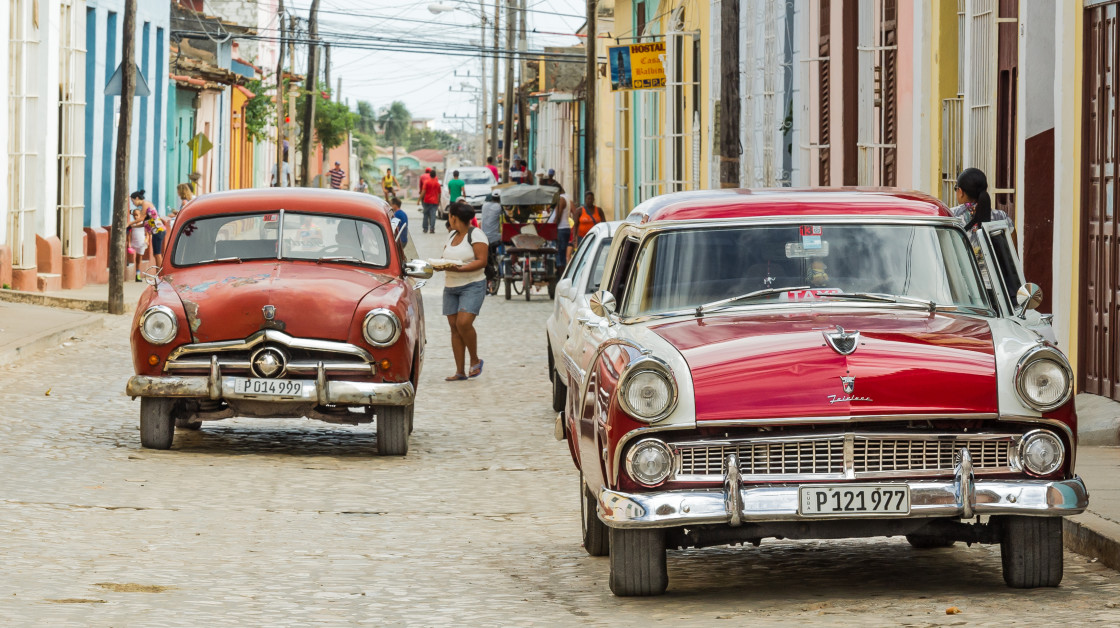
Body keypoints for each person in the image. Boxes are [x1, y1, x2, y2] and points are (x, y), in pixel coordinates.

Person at [440, 202, 489, 381]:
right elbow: (445, 256)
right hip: (451, 286)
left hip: (472, 284)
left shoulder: (476, 235)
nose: (449, 219)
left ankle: (475, 359)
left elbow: (482, 260)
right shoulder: (451, 235)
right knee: (454, 327)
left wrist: (460, 269)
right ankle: (460, 371)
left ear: (454, 217)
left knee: (463, 323)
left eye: (450, 216)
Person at [950, 167, 1009, 232]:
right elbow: (1012, 241)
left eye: (956, 188)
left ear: (961, 192)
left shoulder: (951, 216)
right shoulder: (1002, 217)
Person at [130, 190, 167, 267]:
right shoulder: (145, 205)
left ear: (137, 198)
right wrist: (133, 226)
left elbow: (142, 218)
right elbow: (144, 223)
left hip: (158, 231)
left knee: (157, 254)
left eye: (133, 201)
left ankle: (160, 274)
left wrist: (129, 223)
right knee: (156, 254)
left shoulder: (145, 204)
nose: (133, 203)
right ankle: (159, 274)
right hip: (156, 232)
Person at [570, 191, 606, 255]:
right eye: (588, 199)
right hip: (582, 238)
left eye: (591, 199)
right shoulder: (579, 211)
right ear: (585, 200)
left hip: (596, 237)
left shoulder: (599, 210)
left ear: (594, 199)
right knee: (583, 254)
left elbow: (604, 224)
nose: (590, 200)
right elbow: (575, 225)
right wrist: (574, 238)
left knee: (594, 254)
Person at [480, 190, 504, 287]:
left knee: (488, 257)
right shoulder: (499, 208)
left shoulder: (484, 206)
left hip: (484, 237)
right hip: (495, 238)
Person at [127, 206, 149, 281]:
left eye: (137, 215)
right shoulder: (132, 225)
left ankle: (138, 275)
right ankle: (127, 264)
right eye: (134, 215)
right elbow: (129, 235)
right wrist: (129, 243)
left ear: (140, 215)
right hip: (133, 243)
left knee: (138, 259)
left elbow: (147, 234)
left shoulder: (143, 224)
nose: (135, 217)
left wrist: (147, 240)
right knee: (130, 256)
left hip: (141, 243)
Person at [551, 190, 571, 271]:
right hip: (564, 228)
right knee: (561, 254)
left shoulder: (561, 199)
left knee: (559, 254)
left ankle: (560, 275)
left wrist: (553, 229)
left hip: (561, 229)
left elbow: (558, 217)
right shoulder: (566, 198)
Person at [421, 169, 442, 234]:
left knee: (425, 215)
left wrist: (419, 199)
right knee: (433, 215)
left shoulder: (426, 182)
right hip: (434, 201)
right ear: (435, 175)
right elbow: (439, 194)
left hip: (426, 201)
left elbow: (423, 192)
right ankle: (432, 229)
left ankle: (425, 228)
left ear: (430, 175)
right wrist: (439, 201)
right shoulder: (438, 184)